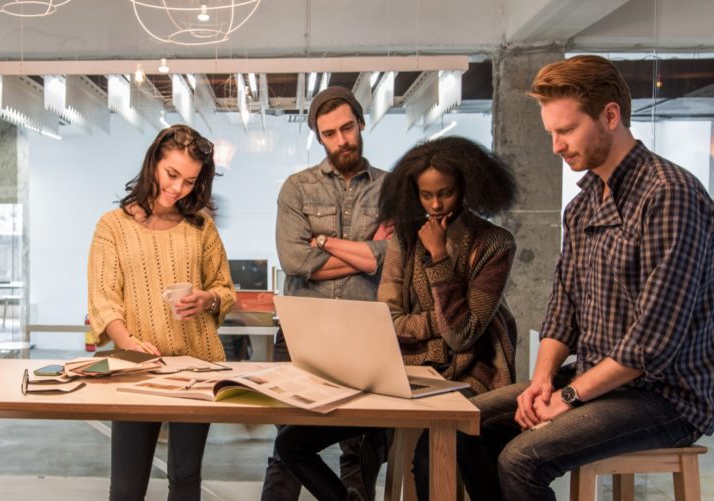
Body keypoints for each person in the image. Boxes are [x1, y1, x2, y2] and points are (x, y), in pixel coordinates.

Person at [454, 55, 714, 501]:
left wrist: (568, 396)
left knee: (521, 460)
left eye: (566, 130)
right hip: (595, 380)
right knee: (461, 424)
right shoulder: (582, 206)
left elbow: (651, 344)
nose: (555, 145)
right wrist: (541, 381)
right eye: (551, 132)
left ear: (610, 115)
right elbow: (563, 308)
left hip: (665, 396)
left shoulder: (670, 195)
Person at [273, 136, 519, 501]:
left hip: (471, 377)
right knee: (293, 442)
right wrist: (439, 322)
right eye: (426, 195)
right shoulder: (404, 239)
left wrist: (438, 260)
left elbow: (462, 338)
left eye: (446, 193)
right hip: (405, 372)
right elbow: (389, 319)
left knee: (430, 462)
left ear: (466, 185)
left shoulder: (495, 243)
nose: (435, 205)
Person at [87, 124, 236, 501]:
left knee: (185, 479)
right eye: (172, 174)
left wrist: (207, 300)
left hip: (197, 367)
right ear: (154, 161)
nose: (177, 188)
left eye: (189, 181)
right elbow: (104, 298)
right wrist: (128, 343)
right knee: (126, 485)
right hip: (136, 368)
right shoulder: (113, 226)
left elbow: (225, 288)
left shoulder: (201, 227)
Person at [262, 86, 393, 501]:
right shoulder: (297, 188)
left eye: (347, 128)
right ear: (319, 137)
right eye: (330, 134)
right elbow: (295, 261)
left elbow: (391, 259)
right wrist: (365, 253)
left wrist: (323, 242)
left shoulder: (391, 189)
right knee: (288, 447)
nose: (342, 141)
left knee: (361, 451)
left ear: (361, 123)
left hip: (365, 333)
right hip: (302, 333)